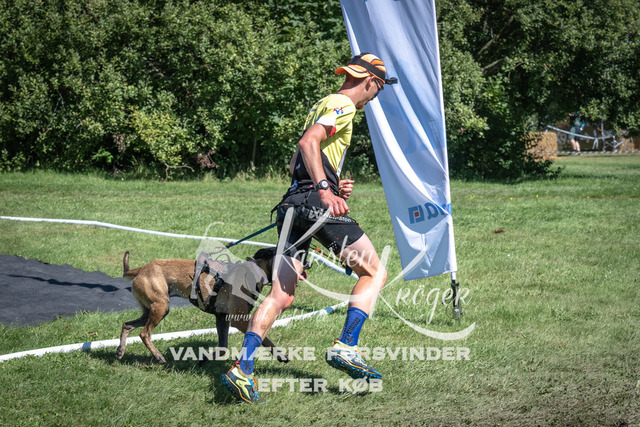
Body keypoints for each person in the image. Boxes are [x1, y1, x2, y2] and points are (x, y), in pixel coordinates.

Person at [221, 53, 397, 403]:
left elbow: (295, 163)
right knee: (374, 271)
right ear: (370, 81)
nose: (377, 96)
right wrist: (325, 189)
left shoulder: (322, 104)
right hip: (315, 203)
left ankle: (243, 370)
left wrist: (330, 181)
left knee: (281, 296)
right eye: (379, 88)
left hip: (291, 205)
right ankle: (347, 345)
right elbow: (308, 143)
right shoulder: (343, 105)